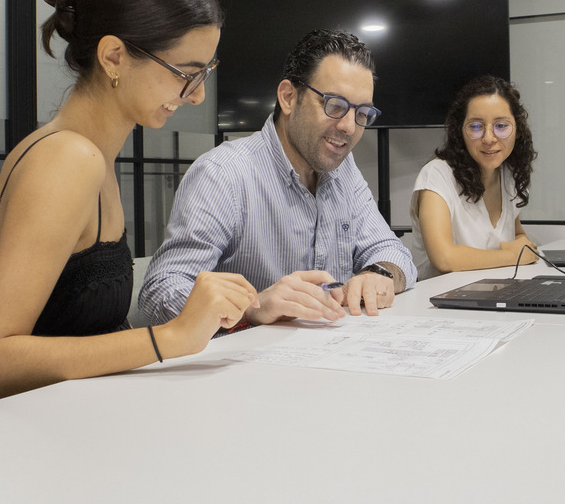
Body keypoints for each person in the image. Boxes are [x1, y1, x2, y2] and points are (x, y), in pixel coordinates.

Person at [0, 0, 257, 404]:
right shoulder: (67, 160)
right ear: (113, 56)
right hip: (36, 440)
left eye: (204, 73)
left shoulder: (88, 155)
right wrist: (170, 337)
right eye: (185, 73)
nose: (195, 96)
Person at [138, 29, 415, 326]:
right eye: (335, 106)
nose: (349, 127)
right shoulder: (223, 174)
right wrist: (251, 308)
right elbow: (160, 293)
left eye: (362, 113)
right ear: (288, 97)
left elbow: (391, 251)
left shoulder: (344, 170)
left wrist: (379, 273)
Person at [404, 75, 538, 280]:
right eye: (476, 126)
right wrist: (512, 255)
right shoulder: (437, 175)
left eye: (501, 126)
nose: (489, 138)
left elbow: (517, 236)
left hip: (492, 297)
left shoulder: (508, 176)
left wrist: (521, 248)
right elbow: (444, 258)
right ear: (460, 131)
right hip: (438, 305)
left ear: (517, 130)